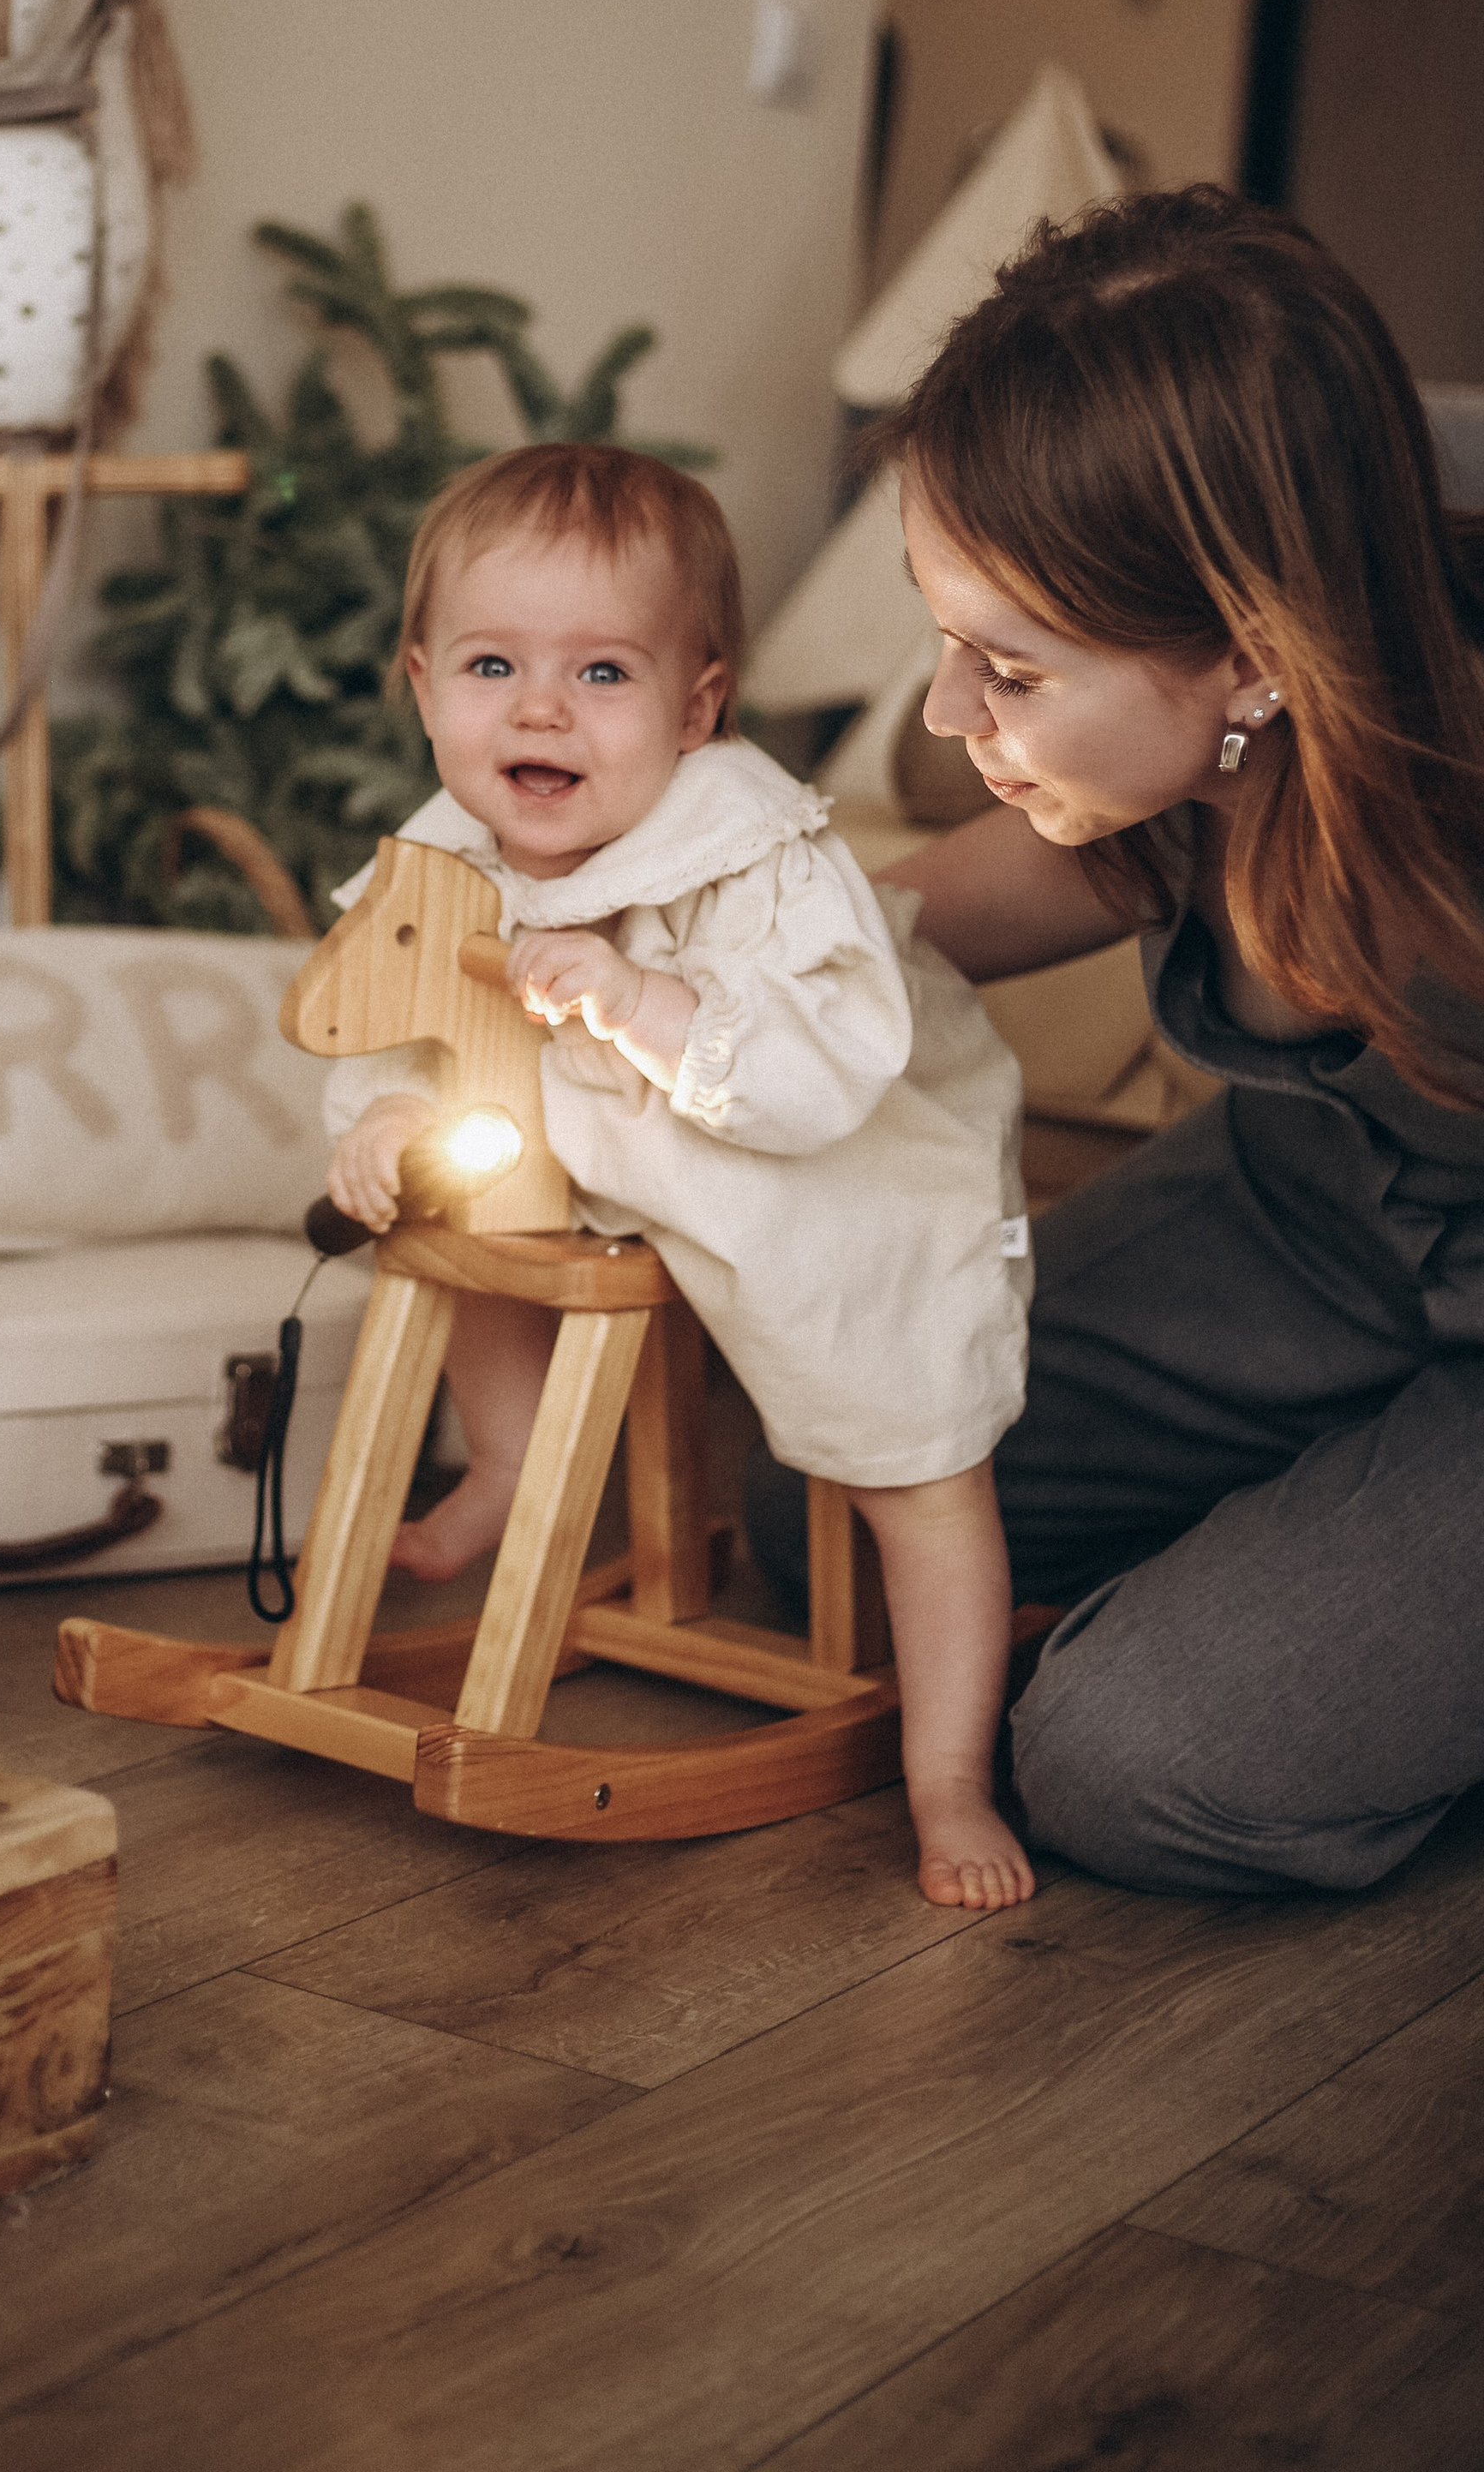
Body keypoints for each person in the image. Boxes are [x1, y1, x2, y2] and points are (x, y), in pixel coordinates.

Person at [858, 183, 1484, 1897]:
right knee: (843, 1476)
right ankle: (1319, 1520)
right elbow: (967, 898)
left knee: (1129, 1761)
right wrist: (725, 950)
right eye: (943, 639)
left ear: (1250, 657)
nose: (943, 715)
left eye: (1004, 665)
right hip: (1300, 1223)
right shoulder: (1198, 740)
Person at [324, 441, 1036, 1908]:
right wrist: (387, 1115)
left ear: (698, 703)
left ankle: (949, 1771)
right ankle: (515, 1464)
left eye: (602, 675)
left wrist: (644, 1003)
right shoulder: (443, 852)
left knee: (916, 1465)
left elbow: (824, 1067)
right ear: (420, 682)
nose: (538, 706)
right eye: (490, 665)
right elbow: (395, 1011)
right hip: (605, 1165)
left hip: (837, 1180)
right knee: (469, 1212)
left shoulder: (757, 854)